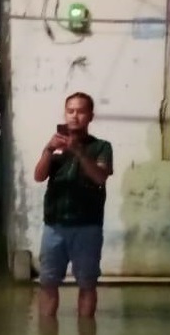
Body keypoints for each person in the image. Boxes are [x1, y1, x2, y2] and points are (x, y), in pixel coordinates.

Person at [34, 92, 113, 318]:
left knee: (87, 284)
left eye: (80, 111)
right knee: (48, 283)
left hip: (88, 226)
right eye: (70, 111)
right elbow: (39, 176)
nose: (74, 116)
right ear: (65, 114)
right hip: (54, 226)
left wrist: (79, 152)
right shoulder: (54, 146)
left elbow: (99, 177)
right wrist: (48, 150)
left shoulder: (101, 147)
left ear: (90, 116)